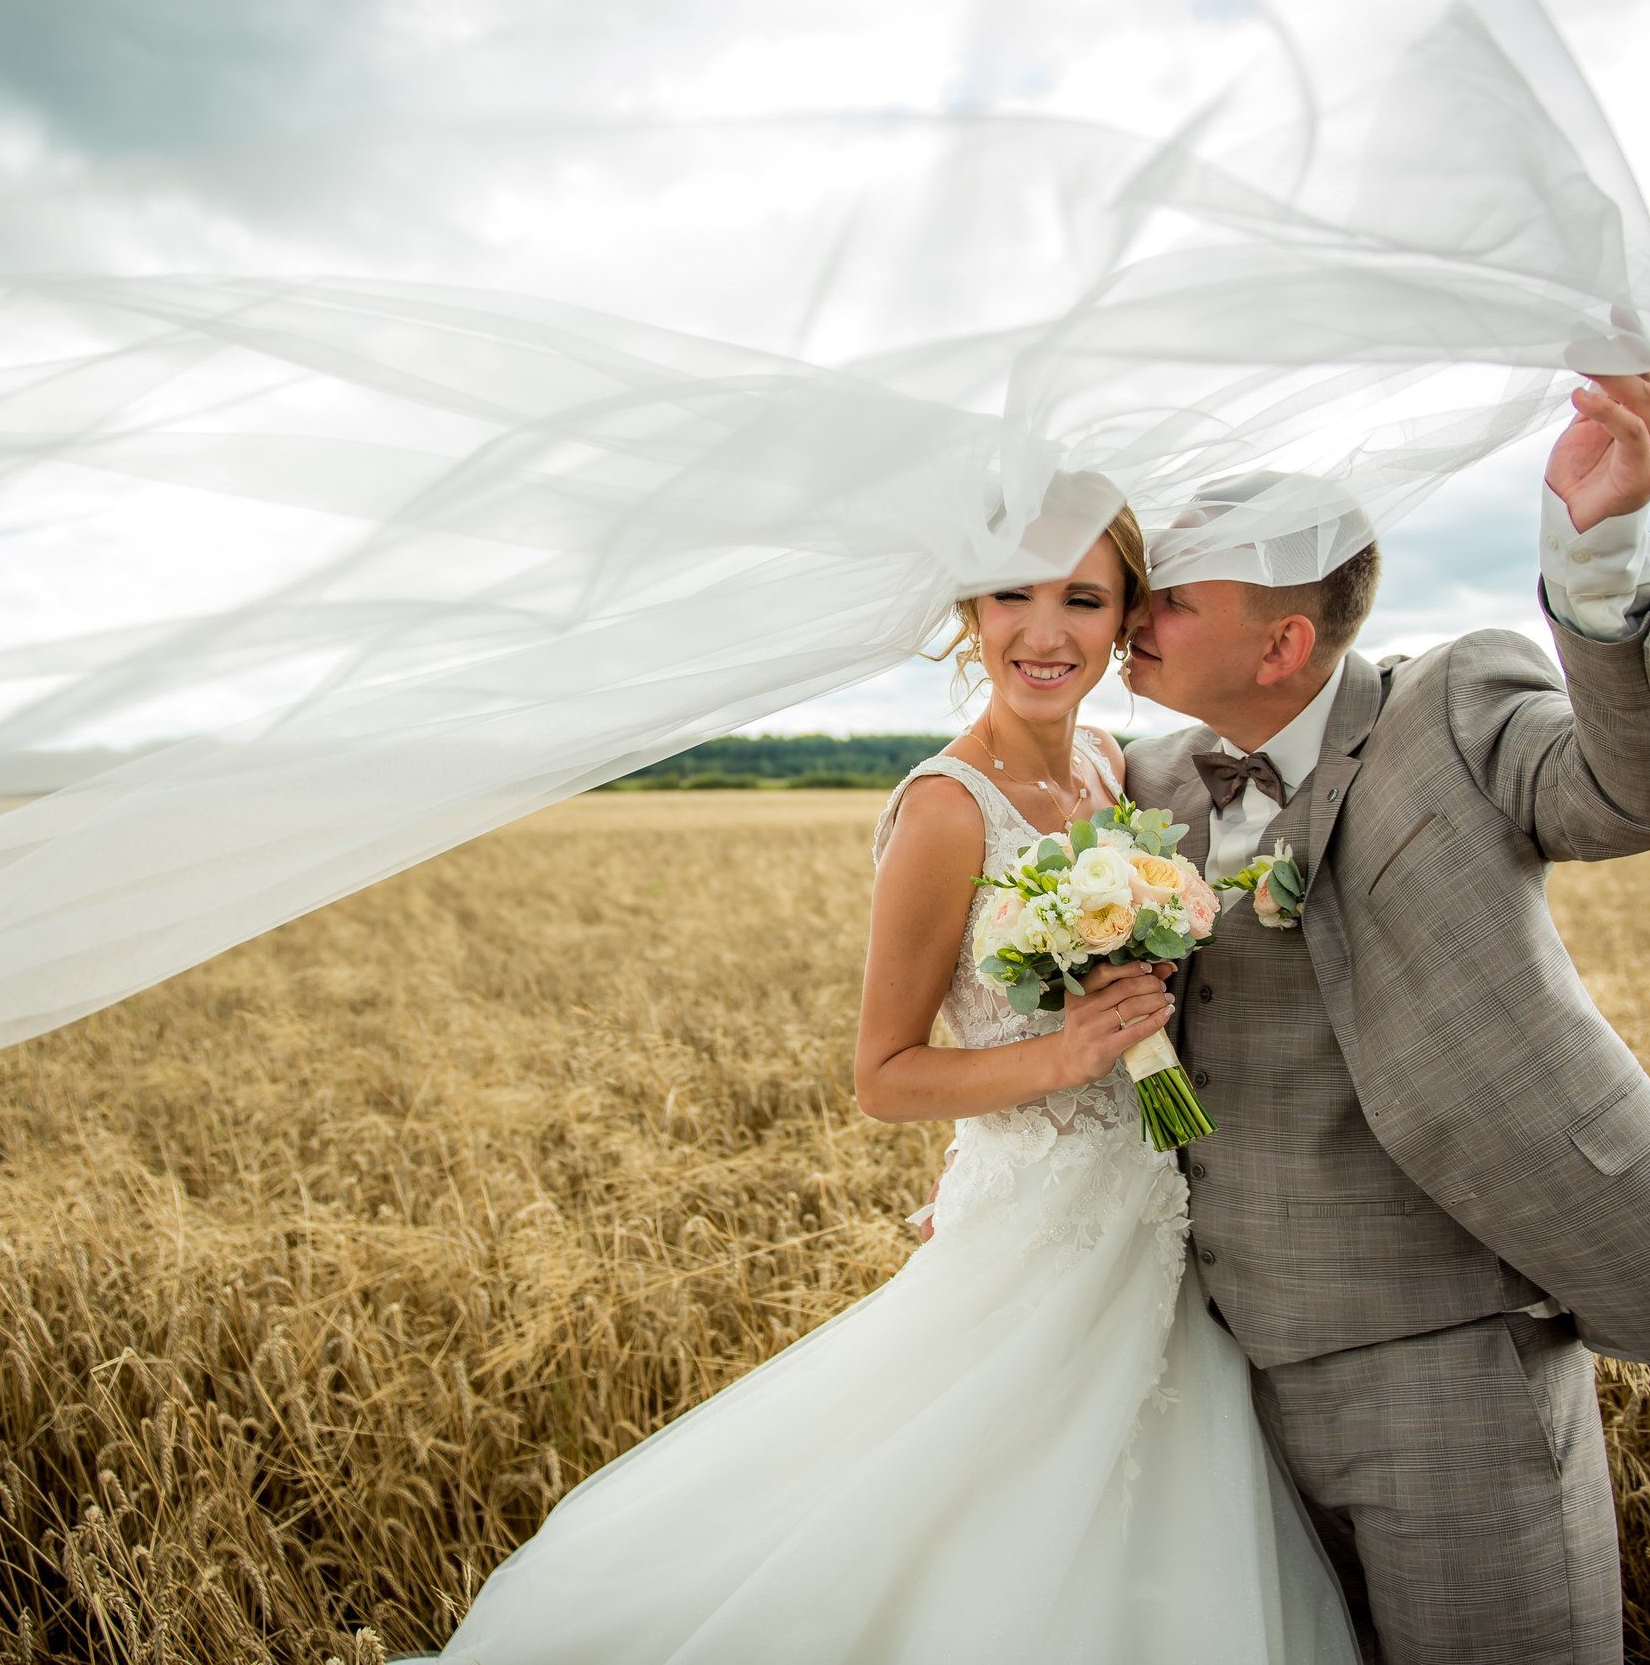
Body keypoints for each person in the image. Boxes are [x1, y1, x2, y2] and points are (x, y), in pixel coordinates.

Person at [428, 473, 1360, 1664]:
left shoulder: (1115, 773)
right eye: (1010, 594)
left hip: (1157, 1213)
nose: (1043, 630)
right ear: (968, 613)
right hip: (1035, 1230)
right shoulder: (944, 807)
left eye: (1082, 597)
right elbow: (884, 1073)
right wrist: (1062, 1051)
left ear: (1126, 616)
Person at [1119, 373, 1650, 1664]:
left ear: (1280, 645)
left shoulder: (1449, 707)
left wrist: (1598, 555)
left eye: (1172, 598)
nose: (1131, 617)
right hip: (1216, 1373)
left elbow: (1645, 789)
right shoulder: (1140, 785)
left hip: (1448, 1359)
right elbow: (1150, 1047)